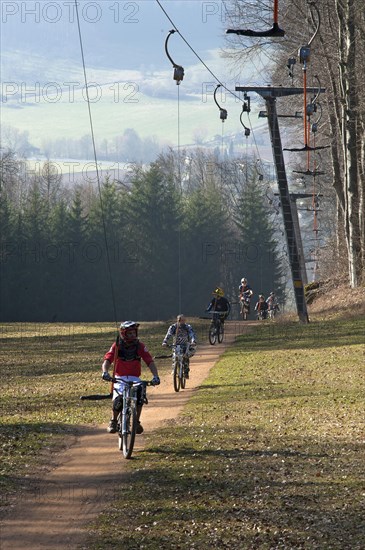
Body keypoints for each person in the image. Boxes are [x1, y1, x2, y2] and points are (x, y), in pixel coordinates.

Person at [101, 321, 160, 434]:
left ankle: (136, 422)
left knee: (139, 397)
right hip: (119, 378)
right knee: (119, 399)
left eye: (134, 333)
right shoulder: (117, 346)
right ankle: (113, 421)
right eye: (130, 333)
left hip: (135, 378)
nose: (133, 336)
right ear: (124, 333)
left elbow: (149, 361)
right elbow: (107, 360)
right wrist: (105, 372)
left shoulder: (140, 346)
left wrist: (155, 376)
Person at [162, 314, 197, 378]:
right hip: (176, 345)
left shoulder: (188, 327)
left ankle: (186, 371)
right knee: (174, 356)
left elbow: (192, 334)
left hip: (185, 345)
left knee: (186, 356)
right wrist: (165, 342)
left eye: (184, 320)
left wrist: (193, 341)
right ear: (178, 320)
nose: (182, 322)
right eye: (181, 320)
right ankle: (174, 369)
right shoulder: (173, 327)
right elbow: (168, 335)